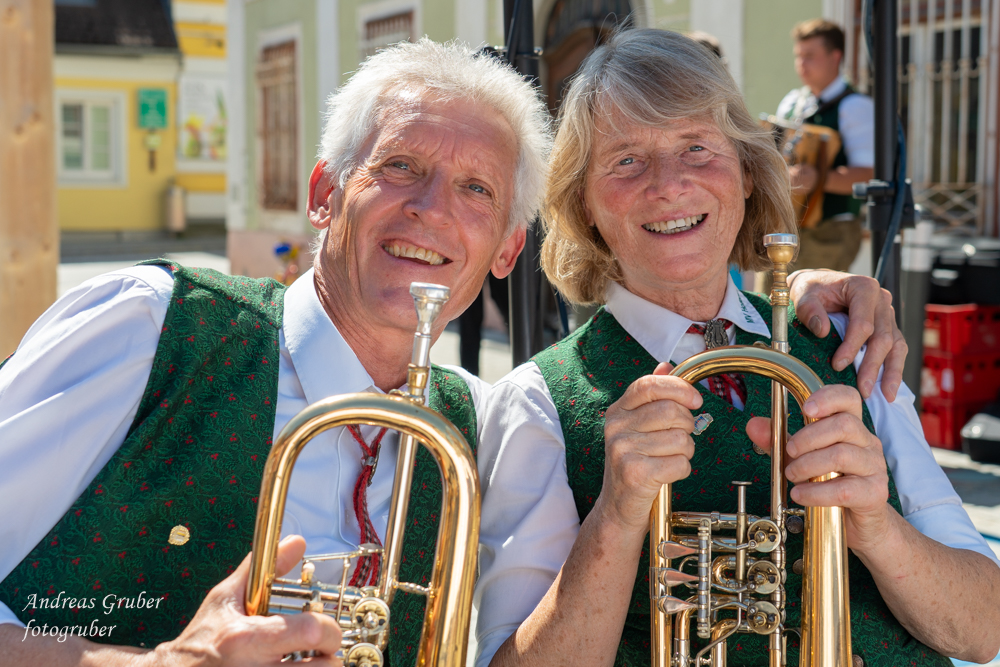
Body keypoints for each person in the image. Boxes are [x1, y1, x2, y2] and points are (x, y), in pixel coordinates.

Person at [0, 37, 906, 667]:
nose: (432, 209)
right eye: (399, 166)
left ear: (507, 249)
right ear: (324, 193)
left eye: (477, 189)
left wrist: (806, 295)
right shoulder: (156, 325)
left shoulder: (475, 419)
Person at [475, 29, 1000, 667]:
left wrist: (877, 527)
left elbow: (984, 630)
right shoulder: (536, 402)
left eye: (696, 147)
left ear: (748, 173)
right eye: (626, 160)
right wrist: (614, 515)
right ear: (583, 203)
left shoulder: (844, 343)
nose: (669, 184)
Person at [776, 19, 874, 272]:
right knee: (769, 296)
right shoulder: (792, 102)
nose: (801, 64)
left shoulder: (856, 107)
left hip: (829, 233)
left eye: (810, 56)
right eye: (798, 56)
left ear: (835, 56)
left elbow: (868, 175)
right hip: (785, 227)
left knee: (807, 298)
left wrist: (818, 179)